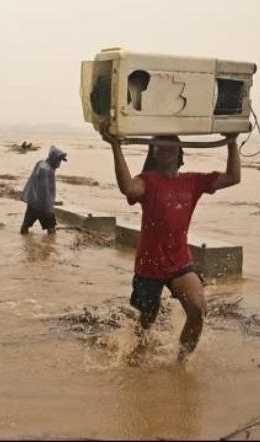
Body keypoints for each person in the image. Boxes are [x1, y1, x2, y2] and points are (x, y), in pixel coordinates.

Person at [99, 122, 240, 361]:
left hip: (179, 262)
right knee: (146, 325)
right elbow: (127, 188)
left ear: (179, 151)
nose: (165, 151)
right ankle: (133, 361)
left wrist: (232, 142)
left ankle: (181, 364)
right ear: (153, 153)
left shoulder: (193, 181)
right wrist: (115, 146)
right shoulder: (148, 181)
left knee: (197, 310)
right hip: (149, 265)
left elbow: (233, 177)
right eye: (159, 148)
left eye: (169, 147)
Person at [19, 145, 68, 235]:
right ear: (54, 159)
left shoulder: (42, 163)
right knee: (52, 231)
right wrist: (48, 204)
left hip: (33, 201)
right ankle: (48, 248)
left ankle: (25, 245)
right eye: (59, 160)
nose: (60, 163)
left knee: (25, 226)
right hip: (43, 204)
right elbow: (44, 190)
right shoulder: (46, 170)